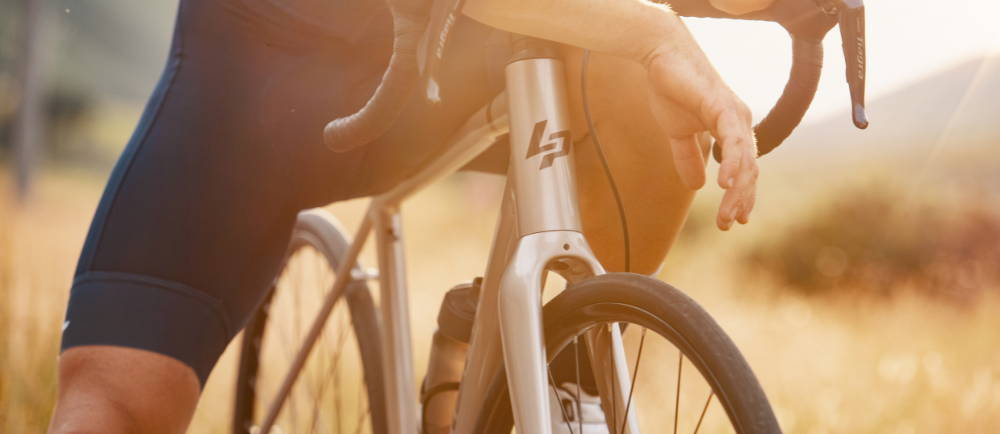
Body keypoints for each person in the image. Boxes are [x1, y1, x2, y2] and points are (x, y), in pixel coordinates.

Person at [47, 0, 771, 432]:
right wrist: (656, 34)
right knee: (114, 408)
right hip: (248, 94)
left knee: (629, 82)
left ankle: (545, 380)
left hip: (447, 68)